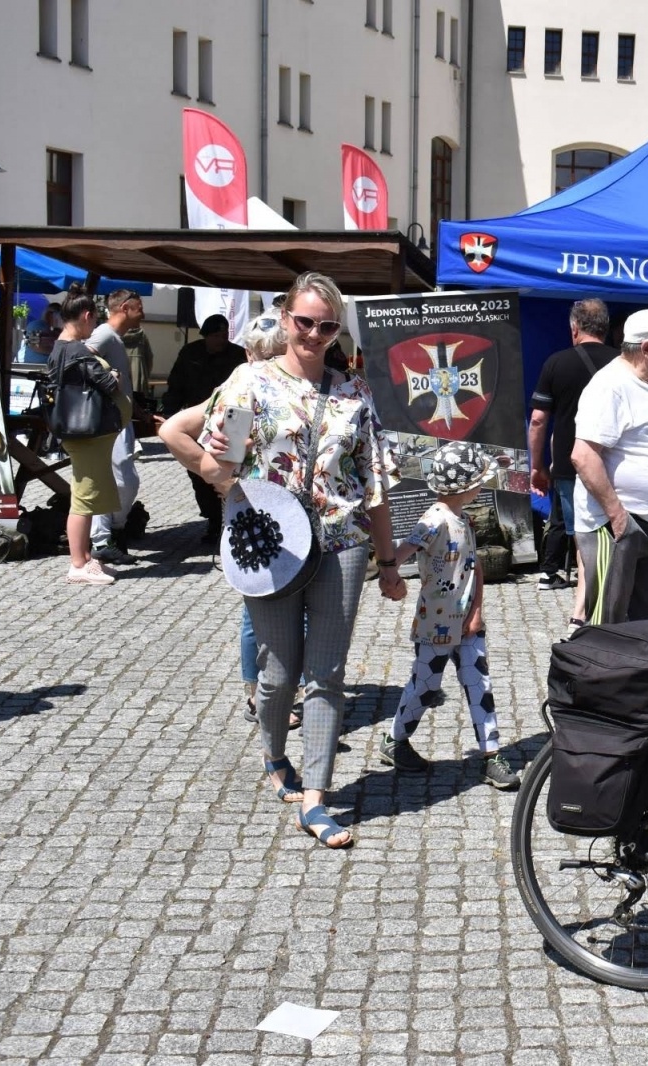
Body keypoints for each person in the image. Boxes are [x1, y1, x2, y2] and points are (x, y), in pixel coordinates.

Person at [196, 272, 406, 850]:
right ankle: (274, 754)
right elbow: (219, 468)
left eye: (326, 325)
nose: (314, 333)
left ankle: (317, 798)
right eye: (304, 321)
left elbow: (375, 486)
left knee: (327, 673)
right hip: (273, 544)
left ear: (337, 330)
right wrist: (225, 477)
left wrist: (388, 563)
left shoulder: (354, 393)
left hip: (342, 543)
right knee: (278, 673)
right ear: (285, 318)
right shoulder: (249, 385)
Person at [159, 313, 290, 726]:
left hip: (288, 511)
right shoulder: (241, 385)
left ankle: (277, 691)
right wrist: (218, 475)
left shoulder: (255, 381)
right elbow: (174, 431)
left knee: (280, 606)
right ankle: (260, 696)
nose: (269, 360)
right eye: (267, 354)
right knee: (259, 605)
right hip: (257, 510)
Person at [378, 440, 521, 790]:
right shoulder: (435, 520)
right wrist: (387, 572)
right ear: (468, 486)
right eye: (479, 481)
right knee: (425, 686)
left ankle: (491, 755)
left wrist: (477, 612)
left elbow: (476, 568)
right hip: (435, 623)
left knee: (479, 685)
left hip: (468, 624)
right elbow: (406, 548)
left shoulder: (465, 520)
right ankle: (396, 741)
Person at [569, 309, 648, 627]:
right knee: (607, 625)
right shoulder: (610, 385)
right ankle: (602, 676)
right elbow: (583, 456)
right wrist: (617, 514)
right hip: (619, 526)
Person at [528, 299, 618, 615]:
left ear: (574, 328)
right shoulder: (623, 364)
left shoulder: (556, 363)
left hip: (569, 461)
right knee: (608, 526)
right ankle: (601, 586)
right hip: (613, 463)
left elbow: (539, 419)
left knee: (577, 527)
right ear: (606, 328)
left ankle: (582, 595)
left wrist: (537, 465)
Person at [51, 286, 132, 587]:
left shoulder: (60, 347)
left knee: (84, 494)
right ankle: (77, 563)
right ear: (86, 316)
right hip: (87, 435)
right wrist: (114, 378)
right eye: (93, 320)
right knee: (83, 498)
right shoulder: (76, 349)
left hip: (79, 434)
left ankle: (85, 558)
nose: (93, 327)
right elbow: (105, 382)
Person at [165, 314, 248, 543]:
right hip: (196, 425)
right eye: (215, 335)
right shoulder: (190, 353)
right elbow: (176, 385)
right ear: (206, 335)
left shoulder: (237, 356)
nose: (220, 340)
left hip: (227, 426)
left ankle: (231, 520)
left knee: (228, 474)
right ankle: (213, 521)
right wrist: (169, 414)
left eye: (223, 335)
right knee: (200, 476)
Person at [85, 290, 153, 565]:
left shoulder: (117, 339)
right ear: (125, 308)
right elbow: (83, 360)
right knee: (120, 481)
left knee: (121, 481)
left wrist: (140, 413)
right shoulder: (104, 334)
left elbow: (122, 387)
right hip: (108, 421)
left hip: (121, 420)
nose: (144, 313)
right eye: (139, 308)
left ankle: (110, 534)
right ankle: (105, 537)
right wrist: (105, 382)